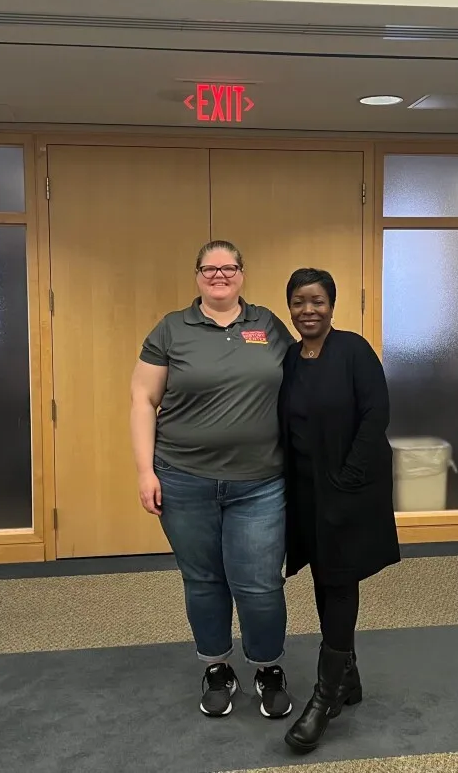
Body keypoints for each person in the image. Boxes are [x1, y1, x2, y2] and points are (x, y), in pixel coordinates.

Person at [130, 240, 295, 720]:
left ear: (242, 273)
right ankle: (217, 667)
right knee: (203, 580)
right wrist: (145, 470)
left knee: (261, 584)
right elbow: (143, 399)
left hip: (261, 482)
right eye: (209, 268)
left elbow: (307, 374)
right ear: (197, 275)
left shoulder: (267, 325)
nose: (218, 275)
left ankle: (267, 667)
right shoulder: (171, 329)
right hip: (183, 479)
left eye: (228, 268)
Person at [278, 267, 400, 754]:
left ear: (333, 304)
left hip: (347, 487)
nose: (308, 311)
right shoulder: (290, 357)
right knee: (322, 577)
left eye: (318, 301)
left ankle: (324, 698)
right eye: (299, 302)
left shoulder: (354, 351)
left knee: (340, 578)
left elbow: (377, 415)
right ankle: (347, 676)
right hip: (305, 490)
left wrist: (348, 479)